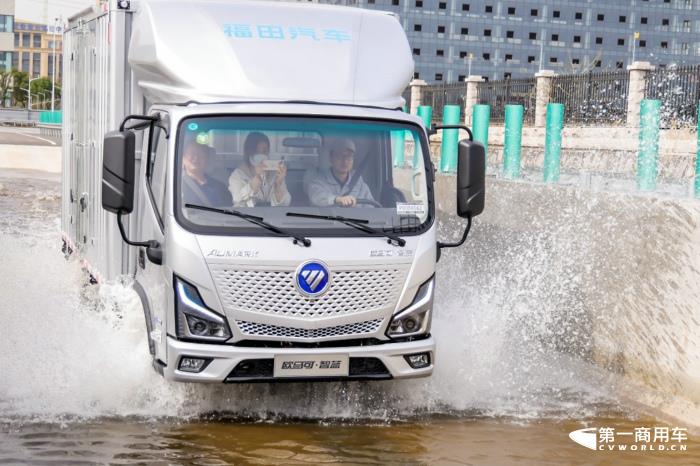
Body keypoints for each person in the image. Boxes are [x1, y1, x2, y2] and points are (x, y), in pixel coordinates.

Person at [228, 132, 291, 207]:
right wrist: (257, 178)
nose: (261, 155)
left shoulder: (275, 174)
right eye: (256, 151)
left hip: (273, 217)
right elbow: (237, 199)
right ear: (248, 152)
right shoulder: (237, 175)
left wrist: (278, 183)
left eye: (264, 151)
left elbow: (285, 203)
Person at [307, 138, 375, 207]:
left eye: (349, 156)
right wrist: (337, 199)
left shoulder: (360, 185)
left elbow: (371, 207)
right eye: (340, 156)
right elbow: (316, 197)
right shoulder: (319, 181)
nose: (345, 161)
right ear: (331, 157)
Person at [181, 142, 232, 207]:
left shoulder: (220, 188)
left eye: (201, 154)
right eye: (192, 153)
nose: (196, 158)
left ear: (207, 159)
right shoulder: (177, 186)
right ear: (183, 158)